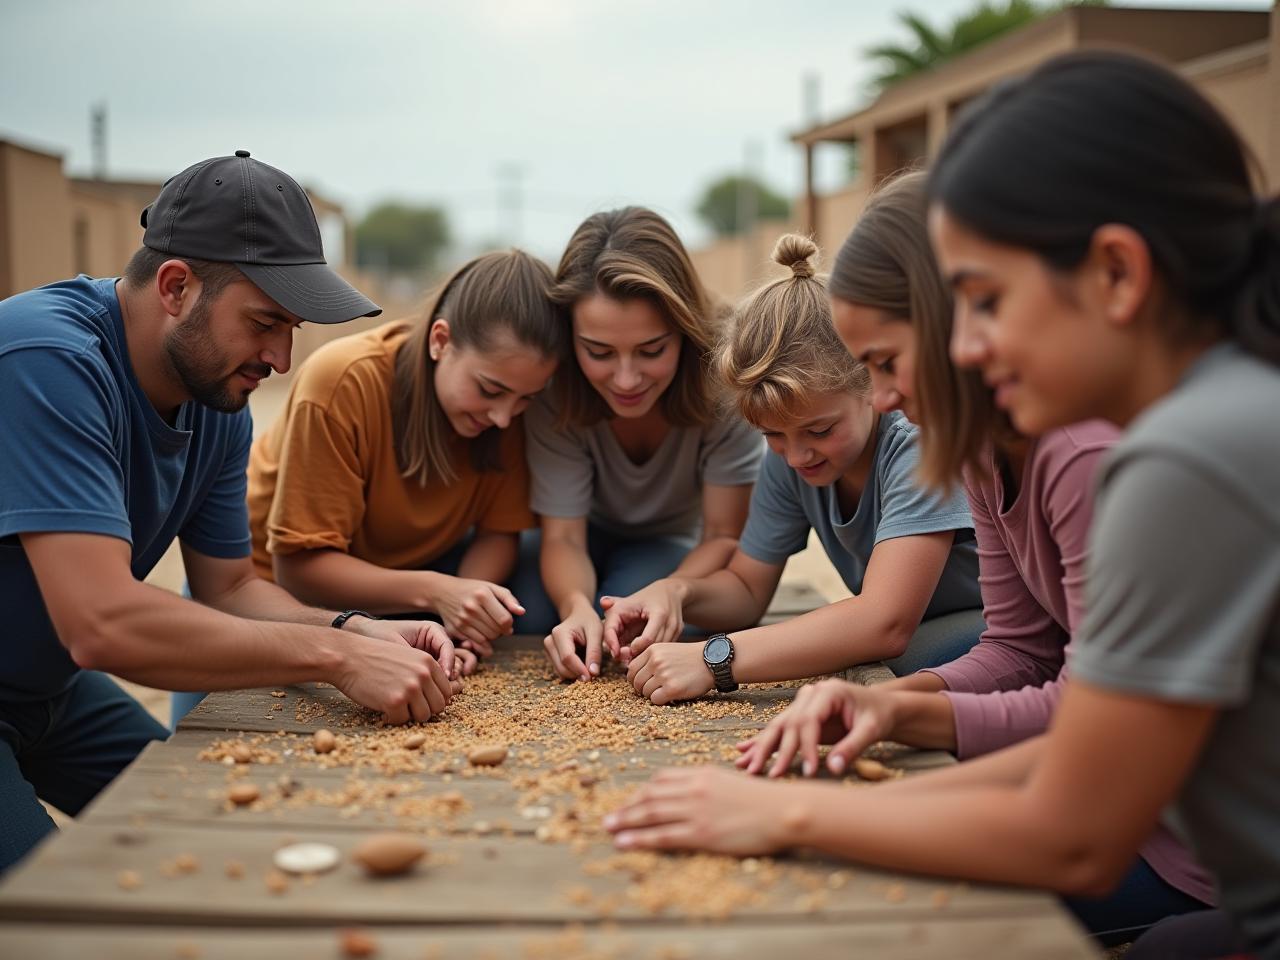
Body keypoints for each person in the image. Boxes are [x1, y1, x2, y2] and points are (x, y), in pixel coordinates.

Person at [607, 52, 1280, 960]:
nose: (965, 349)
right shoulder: (1181, 423)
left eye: (984, 302)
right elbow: (1030, 667)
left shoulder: (1171, 456)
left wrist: (787, 813)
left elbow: (1078, 825)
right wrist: (896, 713)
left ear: (1118, 274)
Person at [777, 170, 1210, 945]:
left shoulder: (1081, 451)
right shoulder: (976, 443)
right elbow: (1016, 649)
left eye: (885, 363)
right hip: (1098, 802)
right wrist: (886, 705)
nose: (879, 399)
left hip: (1182, 847)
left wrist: (894, 729)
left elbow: (1089, 724)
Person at [0, 151, 461, 875]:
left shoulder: (216, 399)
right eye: (263, 323)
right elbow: (100, 623)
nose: (281, 359)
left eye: (293, 330)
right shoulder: (44, 360)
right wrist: (339, 659)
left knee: (221, 841)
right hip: (55, 666)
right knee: (51, 914)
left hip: (46, 691)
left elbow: (231, 588)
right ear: (178, 286)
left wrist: (357, 629)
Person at [168, 250, 563, 725]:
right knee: (205, 751)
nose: (504, 417)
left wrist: (465, 616)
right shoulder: (344, 380)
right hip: (259, 599)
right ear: (441, 341)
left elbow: (499, 534)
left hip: (383, 603)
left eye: (525, 400)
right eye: (491, 390)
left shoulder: (511, 411)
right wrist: (440, 593)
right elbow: (299, 568)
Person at [602, 235, 983, 705]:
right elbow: (746, 589)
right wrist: (675, 590)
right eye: (772, 436)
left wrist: (713, 659)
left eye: (820, 431)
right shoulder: (789, 456)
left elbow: (885, 622)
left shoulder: (916, 444)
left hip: (992, 625)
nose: (797, 455)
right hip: (915, 627)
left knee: (888, 664)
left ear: (869, 383)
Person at [511, 207, 763, 682]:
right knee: (537, 617)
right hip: (571, 535)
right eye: (599, 352)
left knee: (639, 629)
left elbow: (721, 534)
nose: (626, 379)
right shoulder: (553, 387)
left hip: (668, 543)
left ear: (685, 332)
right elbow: (564, 536)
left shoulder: (725, 375)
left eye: (652, 351)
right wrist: (575, 606)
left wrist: (673, 590)